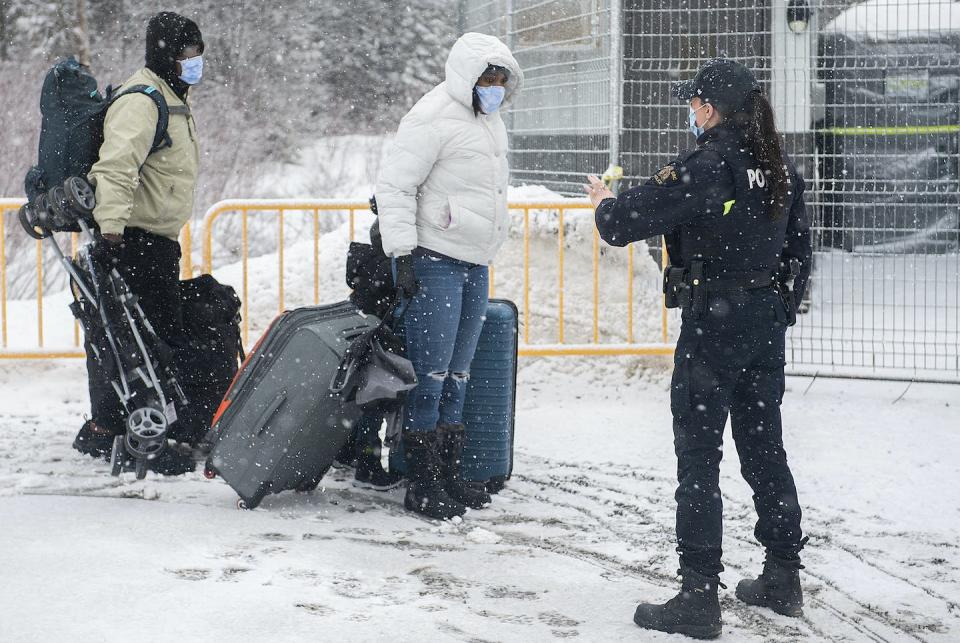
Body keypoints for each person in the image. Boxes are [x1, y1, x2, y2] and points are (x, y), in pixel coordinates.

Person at [585, 58, 811, 639]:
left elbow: (623, 222)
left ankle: (697, 594)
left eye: (694, 104)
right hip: (761, 318)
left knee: (698, 455)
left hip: (716, 321)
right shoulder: (777, 164)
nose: (690, 112)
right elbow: (799, 253)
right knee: (764, 445)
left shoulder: (710, 163)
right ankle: (783, 575)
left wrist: (604, 202)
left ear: (709, 109)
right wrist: (779, 308)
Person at [375, 32, 523, 520]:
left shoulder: (491, 122)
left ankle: (448, 473)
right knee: (431, 374)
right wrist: (403, 255)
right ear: (467, 77)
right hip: (436, 259)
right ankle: (421, 482)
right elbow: (396, 185)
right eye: (487, 78)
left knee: (459, 373)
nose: (495, 87)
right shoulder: (431, 116)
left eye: (501, 79)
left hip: (475, 262)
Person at [72, 12, 205, 476]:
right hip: (133, 240)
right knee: (145, 344)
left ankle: (113, 427)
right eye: (189, 54)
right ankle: (142, 435)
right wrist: (111, 232)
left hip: (154, 240)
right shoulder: (144, 100)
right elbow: (116, 168)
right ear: (168, 54)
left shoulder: (170, 97)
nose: (196, 63)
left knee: (133, 339)